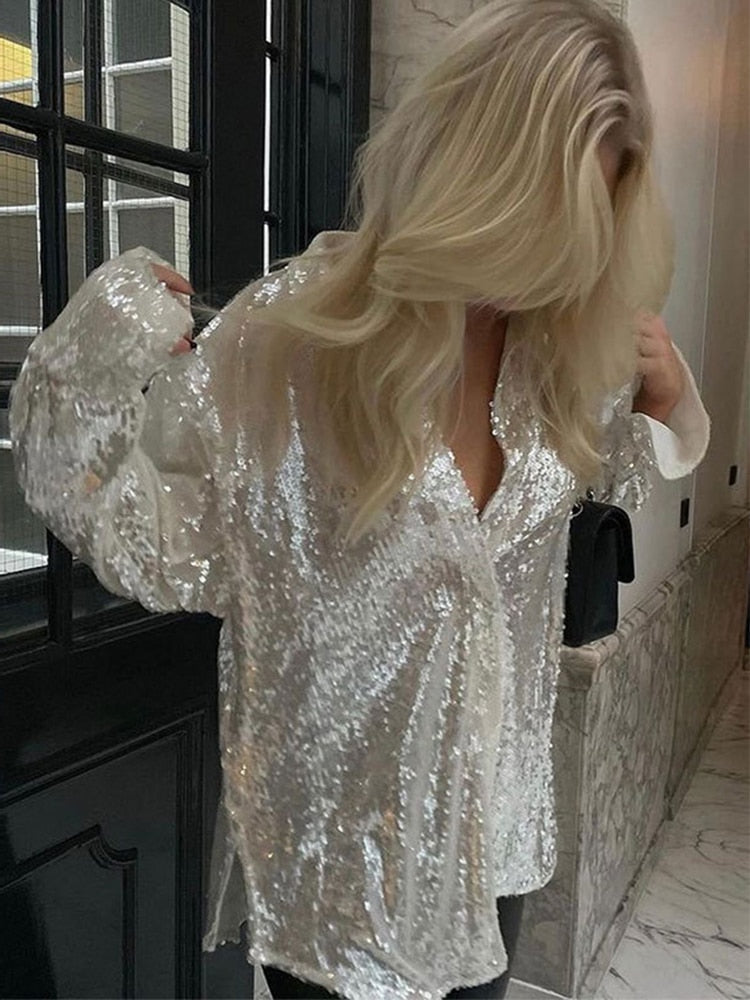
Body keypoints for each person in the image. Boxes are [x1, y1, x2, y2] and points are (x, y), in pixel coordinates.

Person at [8, 0, 711, 997]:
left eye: (585, 229)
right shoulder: (293, 340)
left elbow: (640, 464)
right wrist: (94, 355)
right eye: (538, 219)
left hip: (494, 839)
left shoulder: (563, 350)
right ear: (463, 170)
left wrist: (673, 396)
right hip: (338, 874)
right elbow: (145, 538)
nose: (554, 262)